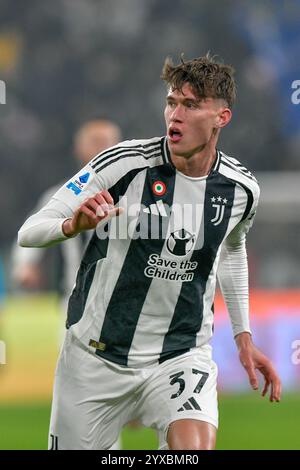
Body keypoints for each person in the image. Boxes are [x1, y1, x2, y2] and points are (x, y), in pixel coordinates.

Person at [18, 54, 281, 450]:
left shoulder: (241, 190)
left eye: (191, 105)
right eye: (172, 102)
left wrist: (243, 335)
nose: (175, 115)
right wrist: (71, 226)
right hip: (96, 356)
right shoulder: (123, 165)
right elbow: (29, 231)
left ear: (221, 117)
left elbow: (232, 247)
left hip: (180, 353)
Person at [12, 118, 121, 301]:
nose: (103, 148)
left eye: (109, 142)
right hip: (76, 297)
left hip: (124, 300)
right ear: (79, 148)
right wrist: (26, 265)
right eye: (96, 141)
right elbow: (33, 227)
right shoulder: (64, 195)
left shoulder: (137, 190)